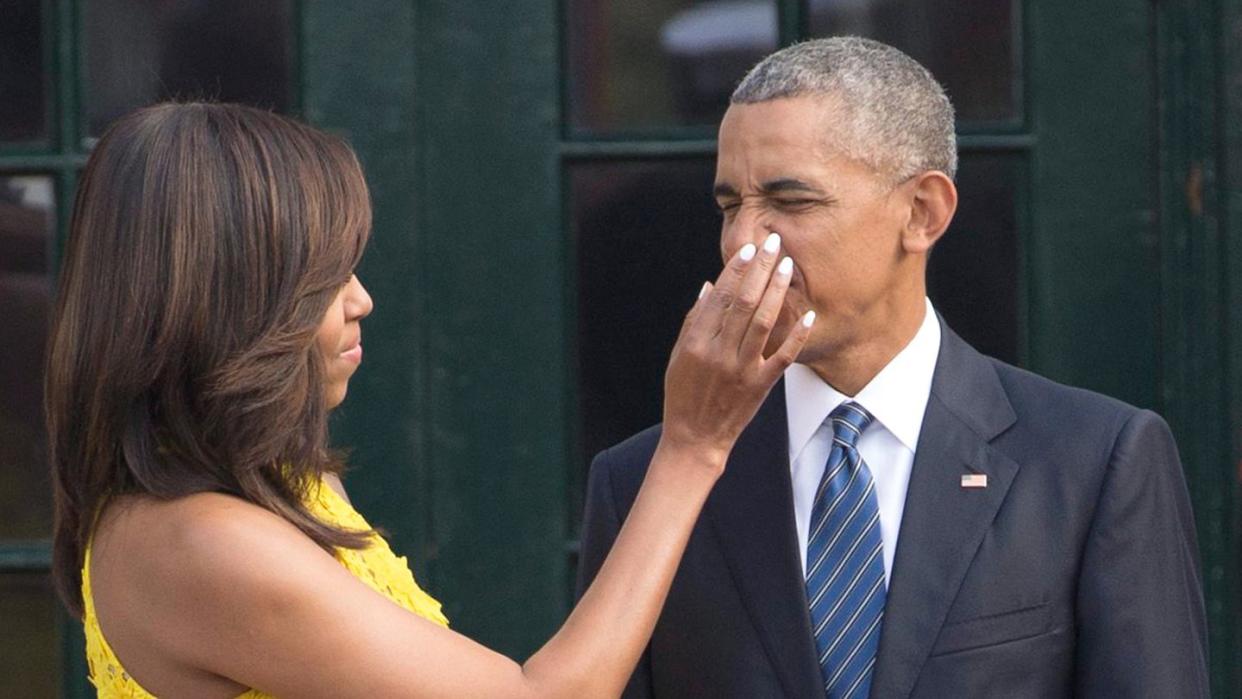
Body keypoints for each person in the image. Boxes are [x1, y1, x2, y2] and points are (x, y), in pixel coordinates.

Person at [46, 101, 814, 698]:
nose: (362, 300)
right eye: (322, 281)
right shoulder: (197, 542)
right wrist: (692, 446)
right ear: (227, 302)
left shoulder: (277, 482)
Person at [577, 37, 1210, 698]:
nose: (741, 241)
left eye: (791, 202)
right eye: (730, 205)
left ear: (921, 212)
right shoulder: (639, 484)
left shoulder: (1091, 460)